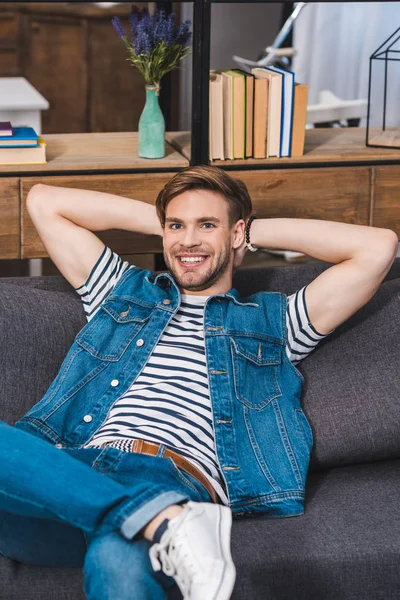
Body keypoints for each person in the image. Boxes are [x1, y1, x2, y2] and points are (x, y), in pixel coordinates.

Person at [0, 165, 397, 600]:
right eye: (176, 226)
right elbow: (43, 200)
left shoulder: (273, 322)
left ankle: (153, 514)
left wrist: (244, 230)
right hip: (71, 469)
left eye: (207, 225)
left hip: (169, 474)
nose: (188, 241)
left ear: (236, 234)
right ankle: (162, 522)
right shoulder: (124, 293)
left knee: (116, 561)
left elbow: (379, 247)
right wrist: (173, 225)